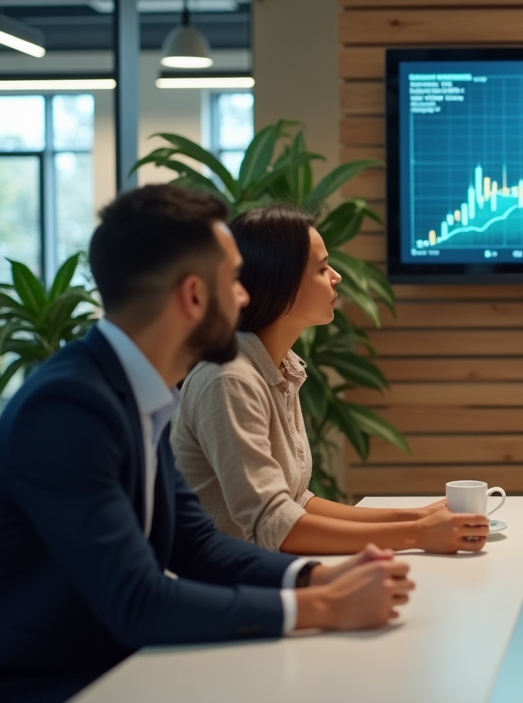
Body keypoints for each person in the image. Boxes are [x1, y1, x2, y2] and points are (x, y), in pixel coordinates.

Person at [0, 186, 415, 703]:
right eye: (232, 281)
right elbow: (137, 600)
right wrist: (323, 606)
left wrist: (315, 577)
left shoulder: (136, 392)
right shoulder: (68, 409)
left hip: (129, 665)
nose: (246, 296)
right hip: (65, 684)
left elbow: (196, 546)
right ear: (194, 295)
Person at [172, 204, 489, 555]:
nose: (336, 276)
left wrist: (416, 517)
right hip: (223, 588)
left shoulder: (279, 367)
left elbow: (296, 502)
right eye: (323, 269)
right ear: (281, 282)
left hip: (256, 572)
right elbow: (273, 524)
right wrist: (416, 536)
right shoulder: (230, 378)